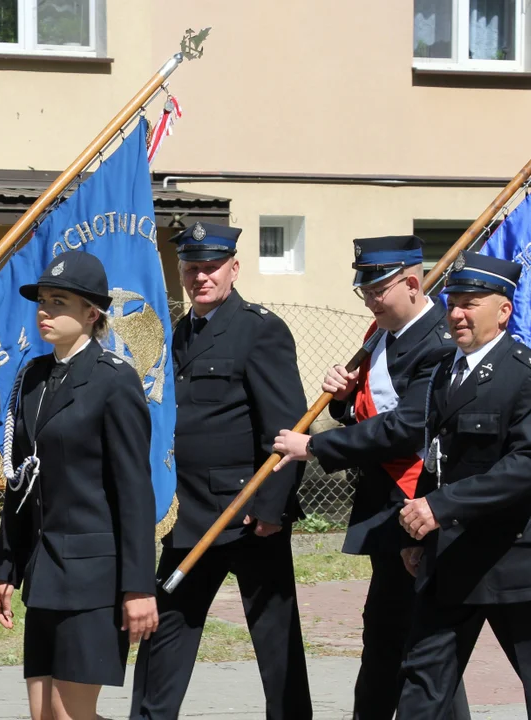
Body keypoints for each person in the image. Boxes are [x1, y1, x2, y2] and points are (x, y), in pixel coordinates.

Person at [273, 235, 469, 720]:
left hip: (420, 501)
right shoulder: (380, 334)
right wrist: (341, 398)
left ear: (411, 282)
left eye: (379, 289)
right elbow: (364, 412)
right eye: (365, 291)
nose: (371, 300)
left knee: (419, 641)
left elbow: (407, 428)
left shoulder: (439, 343)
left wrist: (314, 447)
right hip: (387, 506)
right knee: (387, 633)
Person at [130, 222, 313, 720]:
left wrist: (271, 507)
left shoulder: (260, 329)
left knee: (276, 643)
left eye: (211, 267)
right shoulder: (176, 331)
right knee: (165, 632)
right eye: (192, 268)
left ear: (234, 267)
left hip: (248, 515)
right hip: (189, 514)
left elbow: (284, 428)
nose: (201, 277)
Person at [396, 251, 531, 720]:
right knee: (423, 675)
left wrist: (441, 507)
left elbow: (527, 465)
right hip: (450, 554)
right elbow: (436, 459)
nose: (456, 313)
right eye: (453, 302)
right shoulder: (442, 372)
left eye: (471, 303)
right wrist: (419, 531)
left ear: (504, 310)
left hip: (517, 558)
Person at [0, 251, 159, 720]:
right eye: (42, 300)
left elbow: (135, 493)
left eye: (58, 302)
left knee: (70, 713)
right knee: (43, 713)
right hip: (45, 573)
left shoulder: (114, 381)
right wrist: (7, 568)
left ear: (92, 313)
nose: (44, 311)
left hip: (94, 577)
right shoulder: (33, 379)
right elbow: (24, 484)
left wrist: (139, 587)